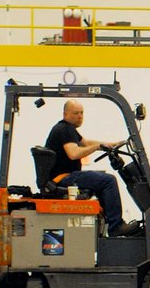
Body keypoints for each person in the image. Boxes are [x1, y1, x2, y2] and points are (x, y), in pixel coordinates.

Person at [44, 100, 140, 237]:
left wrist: (110, 144)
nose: (80, 116)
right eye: (76, 113)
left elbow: (86, 142)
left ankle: (108, 225)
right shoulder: (64, 129)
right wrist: (97, 147)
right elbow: (74, 153)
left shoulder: (68, 129)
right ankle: (116, 226)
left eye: (82, 113)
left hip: (67, 176)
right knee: (108, 181)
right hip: (64, 178)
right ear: (65, 114)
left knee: (101, 179)